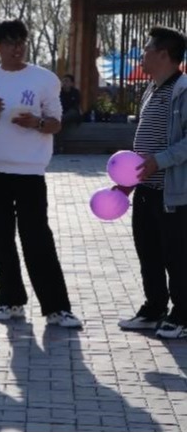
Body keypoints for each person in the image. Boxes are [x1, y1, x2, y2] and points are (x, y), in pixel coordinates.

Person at [0, 19, 82, 328]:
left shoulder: (44, 79)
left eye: (21, 42)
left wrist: (37, 123)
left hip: (30, 171)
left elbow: (56, 123)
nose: (17, 48)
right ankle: (11, 302)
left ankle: (57, 308)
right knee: (2, 237)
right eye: (10, 43)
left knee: (37, 237)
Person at [117, 26, 187, 340]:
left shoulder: (183, 90)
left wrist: (160, 160)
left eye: (146, 50)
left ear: (163, 54)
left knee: (177, 255)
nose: (141, 55)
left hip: (174, 193)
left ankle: (183, 316)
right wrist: (128, 179)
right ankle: (154, 308)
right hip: (146, 189)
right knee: (149, 252)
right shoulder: (152, 88)